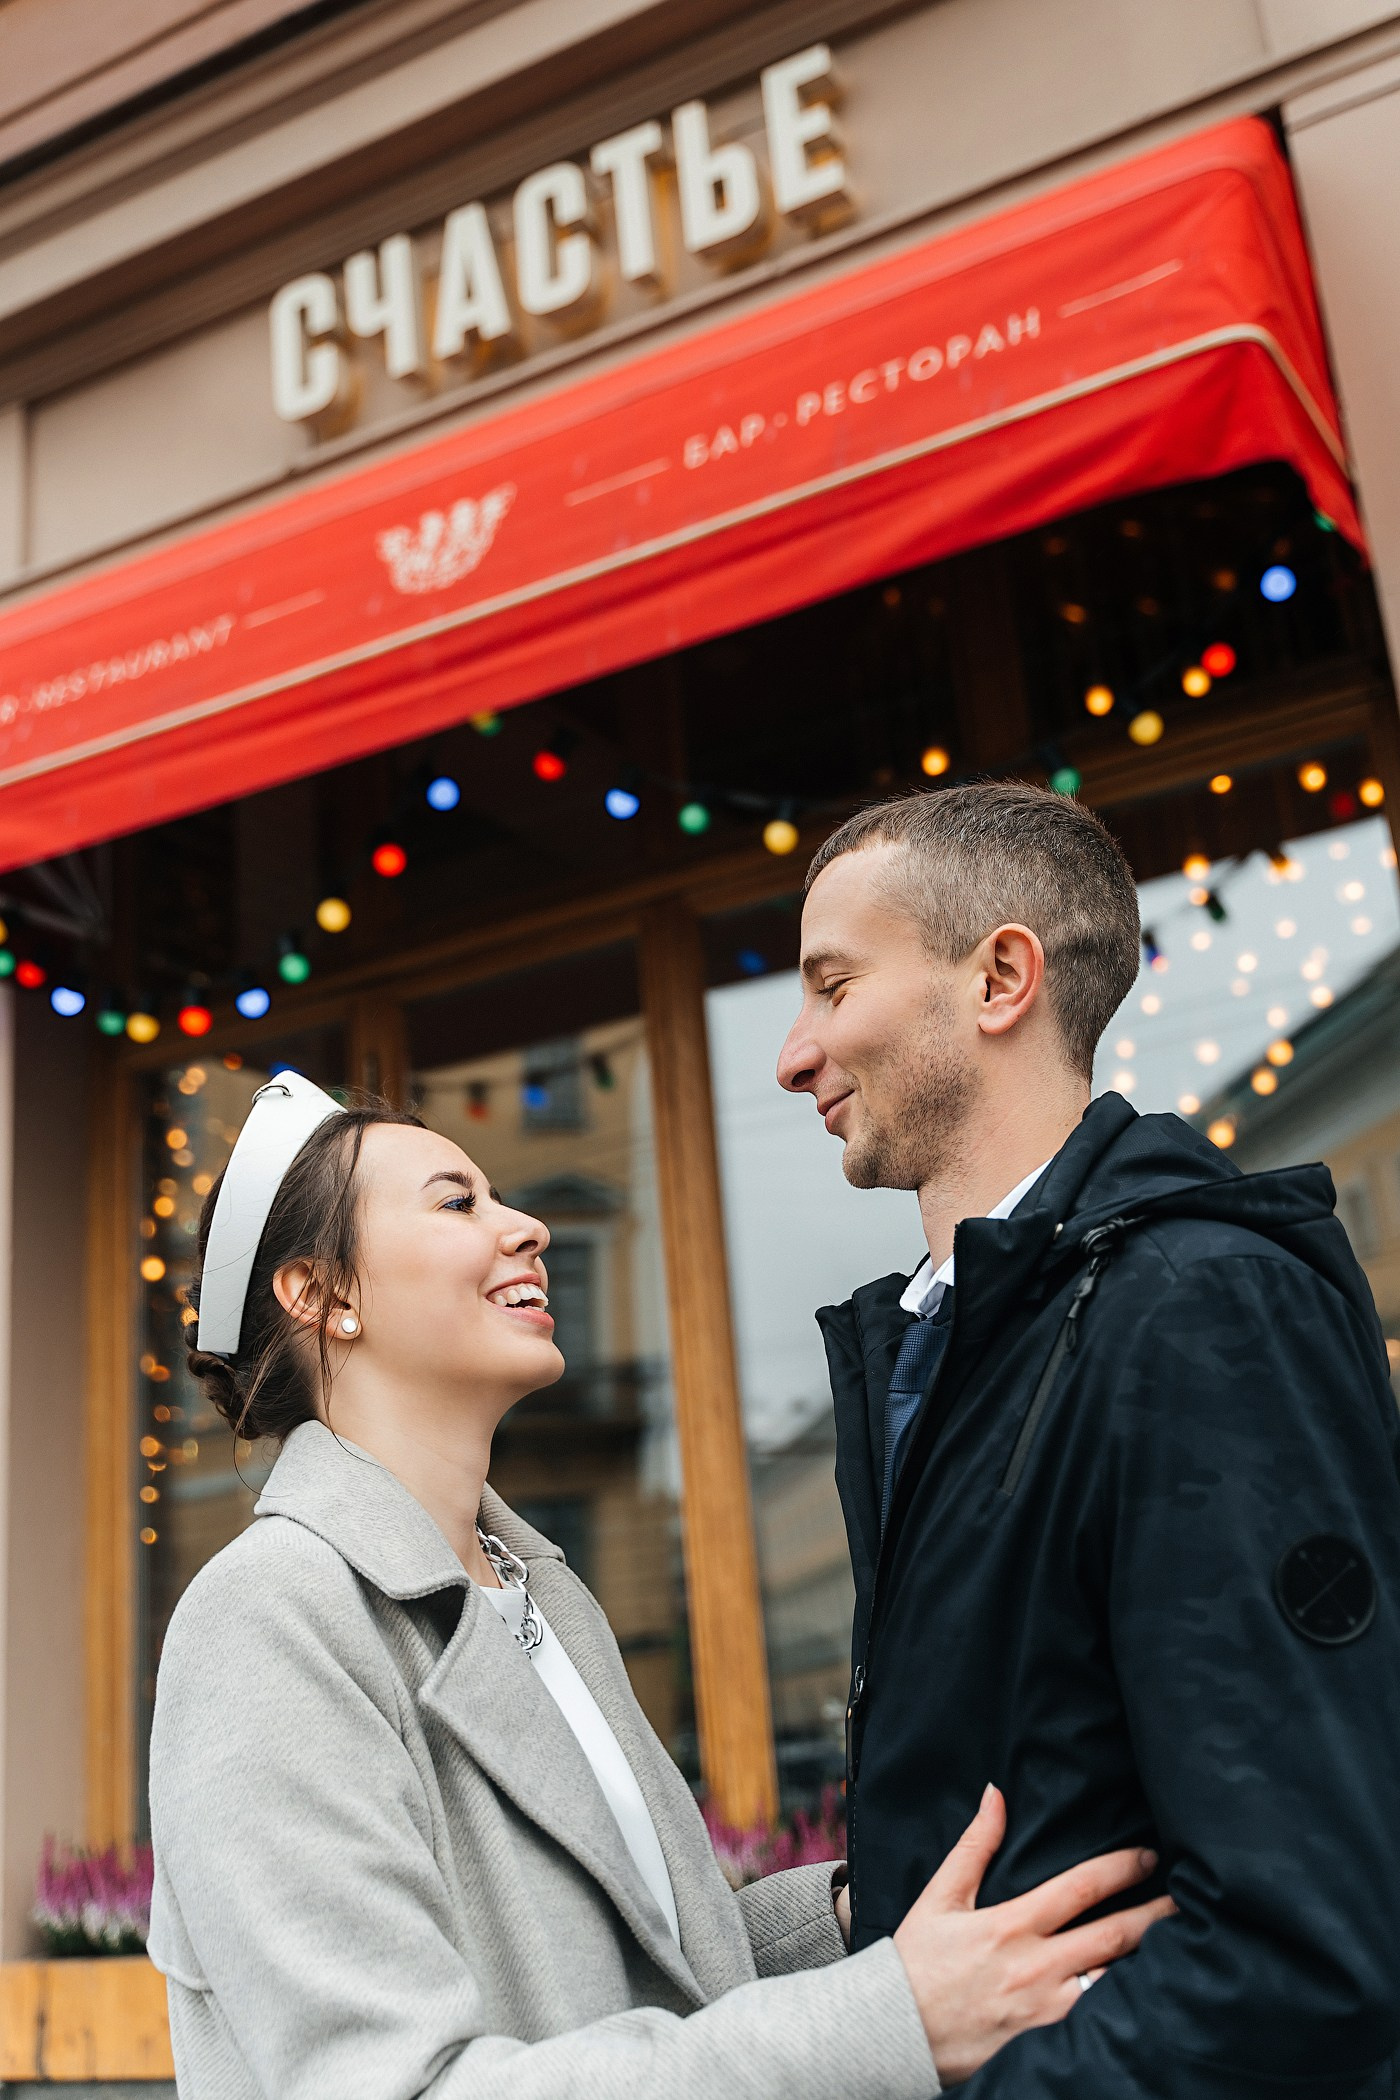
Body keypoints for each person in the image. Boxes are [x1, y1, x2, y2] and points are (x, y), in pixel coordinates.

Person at [146, 1071, 1170, 2100]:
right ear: (324, 1294)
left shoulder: (539, 1592)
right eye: (458, 1202)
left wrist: (872, 1912)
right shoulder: (269, 1617)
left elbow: (653, 1979)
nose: (530, 1227)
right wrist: (889, 2015)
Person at [776, 779, 1400, 2099]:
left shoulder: (1198, 1305)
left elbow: (1313, 1942)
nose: (793, 1053)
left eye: (833, 987)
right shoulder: (938, 1343)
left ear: (1002, 976)